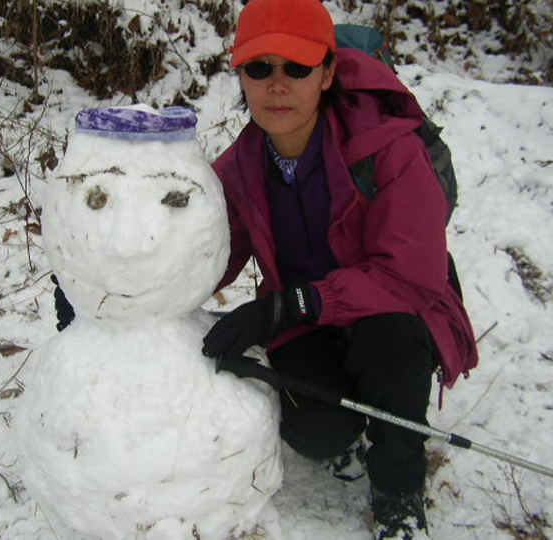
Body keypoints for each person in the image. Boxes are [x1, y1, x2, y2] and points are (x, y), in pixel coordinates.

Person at [53, 0, 479, 537]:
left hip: (392, 312)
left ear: (327, 73)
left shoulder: (388, 149)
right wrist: (108, 289)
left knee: (389, 350)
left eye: (296, 68)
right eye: (260, 68)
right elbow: (205, 253)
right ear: (242, 76)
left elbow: (410, 275)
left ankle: (398, 491)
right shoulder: (239, 168)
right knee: (314, 429)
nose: (278, 85)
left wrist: (292, 303)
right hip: (306, 318)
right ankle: (350, 436)